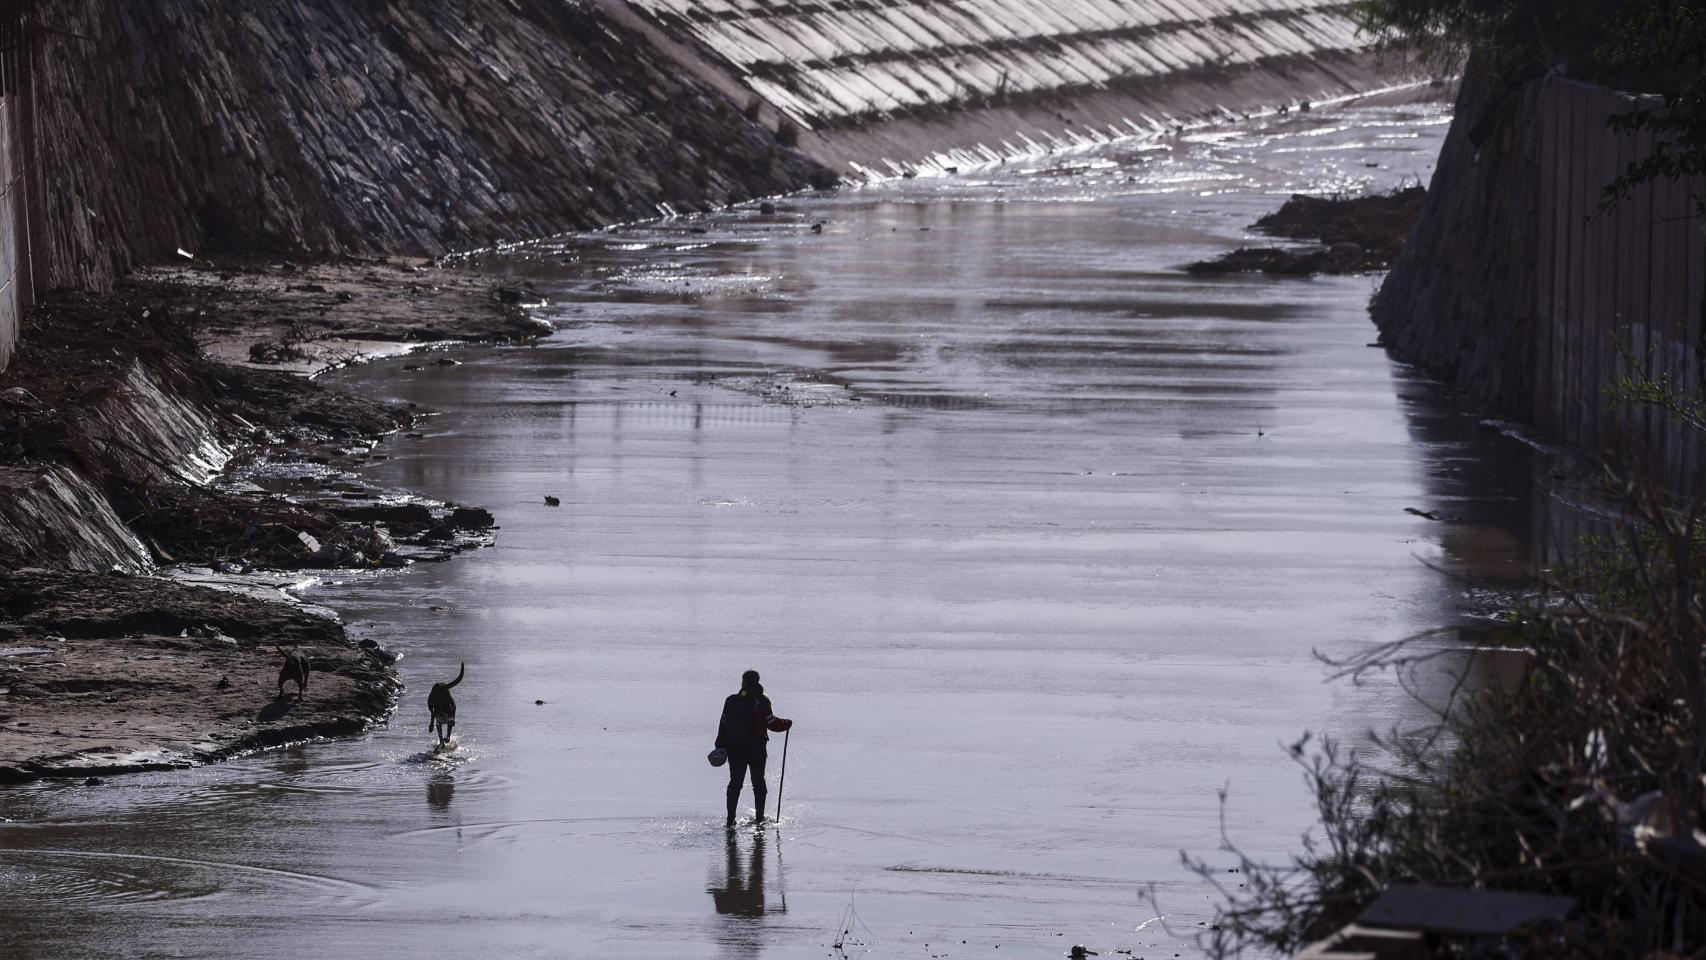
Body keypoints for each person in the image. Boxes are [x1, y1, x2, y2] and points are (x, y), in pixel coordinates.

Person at [716, 669, 792, 828]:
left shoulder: (731, 701)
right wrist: (787, 723)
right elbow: (772, 724)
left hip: (735, 749)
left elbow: (723, 724)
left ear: (743, 682)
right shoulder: (763, 701)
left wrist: (720, 746)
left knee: (735, 784)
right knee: (758, 782)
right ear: (757, 682)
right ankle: (759, 819)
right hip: (757, 749)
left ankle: (730, 821)